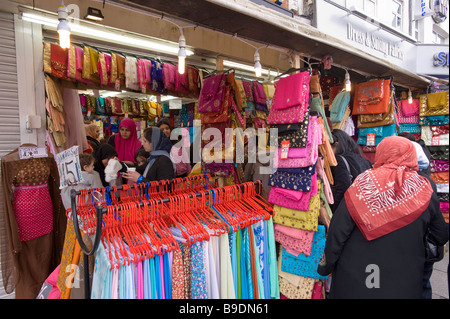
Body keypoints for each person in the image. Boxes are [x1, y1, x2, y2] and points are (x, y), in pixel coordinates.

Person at [317, 136, 448, 299]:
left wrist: (326, 265)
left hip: (357, 279)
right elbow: (440, 235)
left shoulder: (363, 184)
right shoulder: (423, 188)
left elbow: (338, 230)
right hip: (403, 282)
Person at [330, 129, 372, 212]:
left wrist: (335, 213)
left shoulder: (339, 160)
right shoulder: (364, 160)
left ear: (336, 144)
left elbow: (343, 189)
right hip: (365, 207)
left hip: (349, 211)